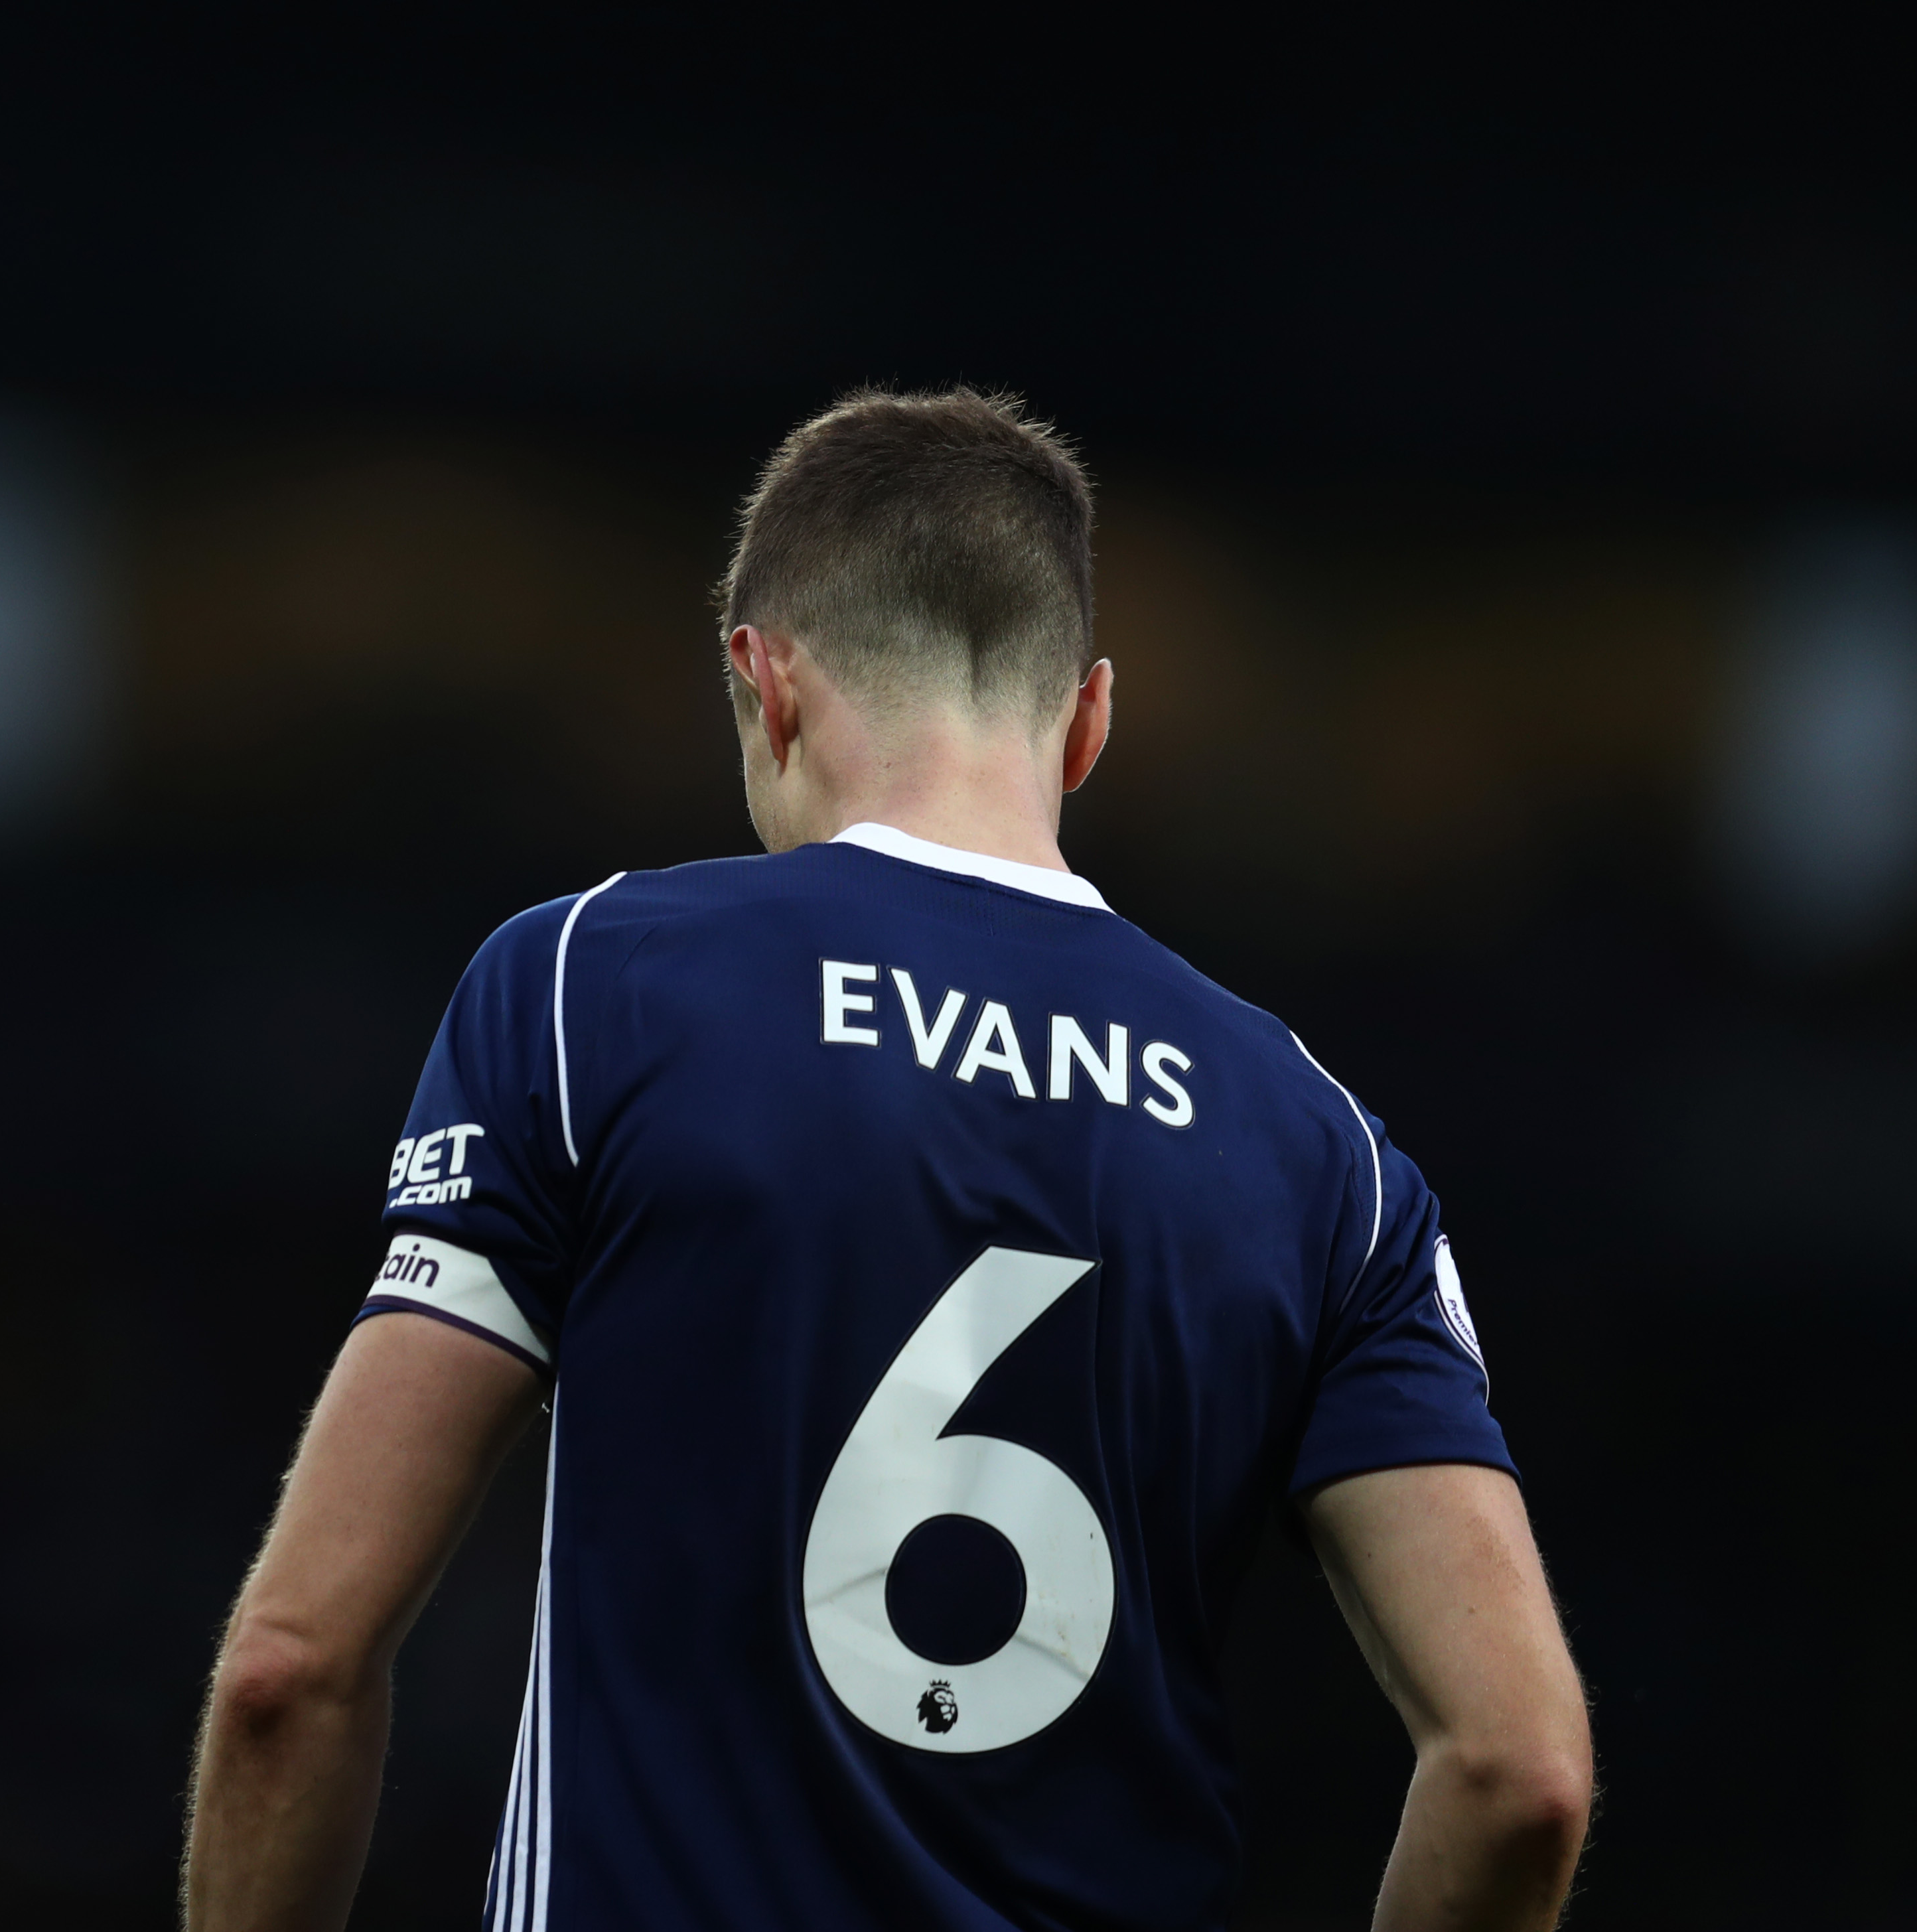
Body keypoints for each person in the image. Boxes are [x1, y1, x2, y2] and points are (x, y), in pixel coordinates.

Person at [182, 389, 1592, 1932]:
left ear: (764, 686)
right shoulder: (1322, 1150)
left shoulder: (594, 987)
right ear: (1088, 722)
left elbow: (291, 1671)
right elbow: (1520, 1770)